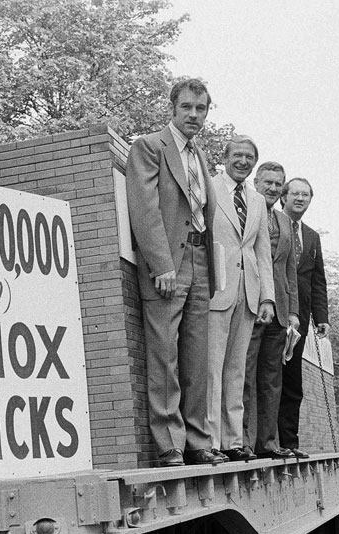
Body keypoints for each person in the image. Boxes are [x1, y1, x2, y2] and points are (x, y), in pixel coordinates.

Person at [125, 78, 224, 467]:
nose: (194, 116)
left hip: (200, 262)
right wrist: (161, 264)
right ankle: (170, 443)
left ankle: (198, 441)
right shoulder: (149, 147)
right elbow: (144, 209)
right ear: (173, 107)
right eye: (187, 108)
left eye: (201, 109)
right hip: (170, 264)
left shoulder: (198, 155)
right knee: (165, 354)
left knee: (196, 358)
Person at [206, 136, 275, 462]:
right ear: (226, 157)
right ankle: (210, 441)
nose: (243, 161)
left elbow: (262, 253)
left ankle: (233, 441)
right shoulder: (208, 187)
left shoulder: (257, 200)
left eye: (249, 157)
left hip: (247, 295)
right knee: (211, 369)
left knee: (236, 371)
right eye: (237, 155)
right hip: (216, 289)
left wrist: (267, 299)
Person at [243, 162, 301, 459]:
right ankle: (244, 443)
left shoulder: (284, 221)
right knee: (245, 376)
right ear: (256, 182)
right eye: (268, 182)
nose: (273, 188)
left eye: (279, 184)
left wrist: (293, 312)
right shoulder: (245, 211)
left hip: (279, 313)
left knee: (271, 380)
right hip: (250, 305)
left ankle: (268, 443)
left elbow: (290, 271)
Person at [277, 178, 330, 458]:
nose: (300, 198)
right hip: (273, 311)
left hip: (301, 320)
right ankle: (265, 441)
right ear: (283, 197)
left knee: (292, 382)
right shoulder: (271, 224)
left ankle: (289, 442)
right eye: (295, 193)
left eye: (305, 195)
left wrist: (322, 316)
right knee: (268, 377)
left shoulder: (311, 236)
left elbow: (317, 280)